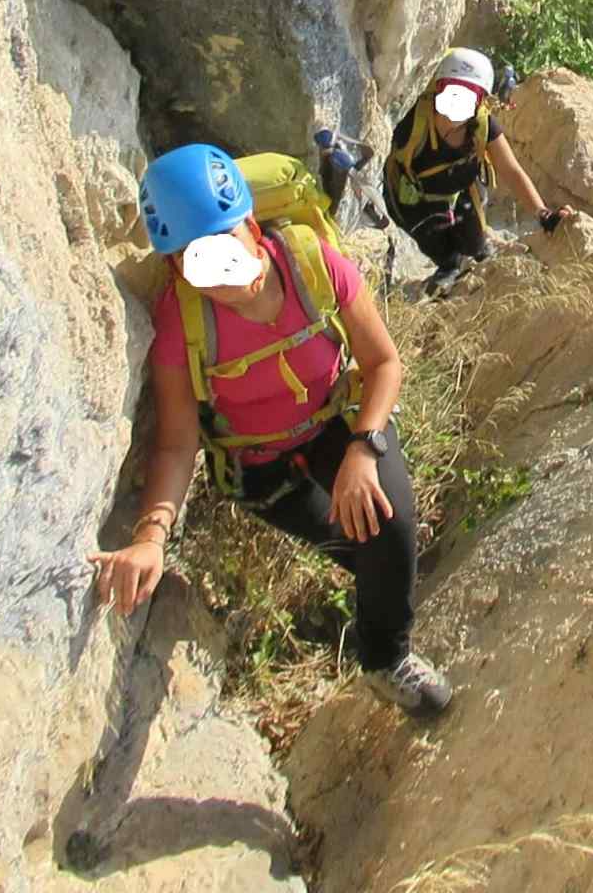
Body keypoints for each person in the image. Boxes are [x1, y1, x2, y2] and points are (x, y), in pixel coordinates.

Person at [88, 144, 452, 716]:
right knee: (371, 553)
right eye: (194, 257)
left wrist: (363, 451)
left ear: (252, 228)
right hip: (259, 468)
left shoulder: (312, 265)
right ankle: (380, 588)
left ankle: (385, 658)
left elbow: (384, 363)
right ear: (178, 267)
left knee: (388, 524)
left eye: (223, 241)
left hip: (336, 426)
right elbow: (178, 443)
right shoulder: (181, 324)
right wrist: (150, 537)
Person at [384, 47, 576, 280]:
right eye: (452, 91)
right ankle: (449, 265)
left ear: (480, 100)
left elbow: (511, 171)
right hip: (413, 201)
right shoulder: (413, 123)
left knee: (475, 247)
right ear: (437, 89)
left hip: (459, 193)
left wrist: (544, 215)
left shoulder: (482, 125)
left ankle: (469, 256)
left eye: (469, 95)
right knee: (445, 254)